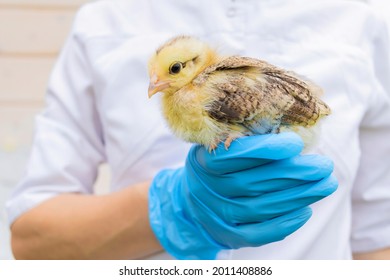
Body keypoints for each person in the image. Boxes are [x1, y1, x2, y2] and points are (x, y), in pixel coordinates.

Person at [6, 0, 390, 260]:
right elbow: (32, 239)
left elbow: (378, 242)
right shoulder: (106, 18)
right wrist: (176, 205)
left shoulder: (366, 16)